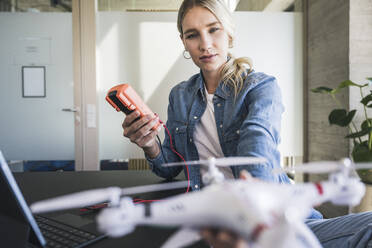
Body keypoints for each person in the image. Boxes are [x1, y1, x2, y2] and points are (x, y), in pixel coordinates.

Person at [121, 0, 372, 247]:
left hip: (272, 218)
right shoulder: (180, 95)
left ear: (229, 33)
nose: (205, 44)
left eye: (213, 29)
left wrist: (255, 210)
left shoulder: (260, 86)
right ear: (184, 42)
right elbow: (168, 167)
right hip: (213, 224)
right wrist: (149, 144)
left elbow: (258, 142)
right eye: (192, 35)